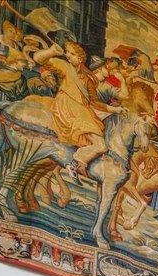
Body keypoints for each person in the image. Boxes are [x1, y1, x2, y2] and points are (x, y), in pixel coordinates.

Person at [32, 39, 108, 178]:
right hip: (67, 107)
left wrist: (114, 110)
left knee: (102, 146)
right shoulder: (63, 66)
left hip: (83, 112)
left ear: (80, 59)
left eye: (71, 53)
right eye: (66, 52)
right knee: (101, 146)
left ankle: (77, 162)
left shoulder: (87, 79)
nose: (67, 55)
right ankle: (76, 162)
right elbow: (38, 58)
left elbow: (95, 102)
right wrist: (52, 51)